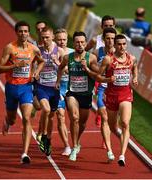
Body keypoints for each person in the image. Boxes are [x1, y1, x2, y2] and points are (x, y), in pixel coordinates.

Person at [0, 21, 44, 164]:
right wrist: (15, 65)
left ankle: (24, 153)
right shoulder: (10, 48)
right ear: (16, 32)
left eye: (25, 31)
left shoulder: (34, 49)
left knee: (27, 118)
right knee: (12, 119)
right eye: (20, 31)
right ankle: (7, 120)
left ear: (29, 33)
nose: (23, 34)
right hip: (11, 88)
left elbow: (41, 61)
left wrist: (36, 71)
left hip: (26, 88)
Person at [95, 34, 138, 166]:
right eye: (119, 44)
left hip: (125, 95)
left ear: (126, 45)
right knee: (113, 126)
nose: (122, 46)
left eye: (124, 44)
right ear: (115, 45)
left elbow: (135, 67)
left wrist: (135, 77)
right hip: (111, 96)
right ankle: (118, 139)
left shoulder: (132, 58)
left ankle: (122, 155)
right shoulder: (108, 60)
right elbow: (98, 76)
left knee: (125, 123)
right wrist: (108, 80)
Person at [56, 31, 99, 161]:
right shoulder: (67, 58)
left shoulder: (91, 58)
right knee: (74, 118)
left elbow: (96, 75)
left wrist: (87, 69)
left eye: (82, 42)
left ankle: (78, 140)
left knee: (82, 123)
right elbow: (60, 68)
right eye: (77, 42)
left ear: (85, 44)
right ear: (73, 43)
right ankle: (74, 147)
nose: (80, 45)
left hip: (86, 94)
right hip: (72, 93)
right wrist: (58, 81)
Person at [36, 26, 64, 156]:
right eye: (43, 38)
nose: (45, 40)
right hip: (42, 86)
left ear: (53, 37)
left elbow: (67, 70)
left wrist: (57, 62)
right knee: (45, 110)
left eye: (47, 37)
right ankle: (43, 134)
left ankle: (47, 138)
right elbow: (32, 65)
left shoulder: (60, 51)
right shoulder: (38, 51)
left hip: (54, 88)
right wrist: (34, 73)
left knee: (51, 117)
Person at [85, 15, 116, 128]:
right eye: (106, 26)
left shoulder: (118, 42)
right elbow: (85, 52)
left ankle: (104, 117)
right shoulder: (95, 40)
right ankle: (101, 115)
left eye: (111, 25)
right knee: (102, 103)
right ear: (102, 26)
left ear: (114, 26)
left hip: (113, 79)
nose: (108, 27)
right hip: (98, 76)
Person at [93, 27, 117, 161]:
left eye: (113, 38)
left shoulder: (120, 53)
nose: (110, 41)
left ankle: (108, 137)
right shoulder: (97, 52)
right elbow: (94, 69)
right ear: (103, 39)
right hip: (102, 88)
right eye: (108, 38)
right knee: (105, 117)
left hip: (117, 91)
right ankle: (109, 150)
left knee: (114, 123)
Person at [54, 28, 74, 156]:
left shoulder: (73, 53)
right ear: (55, 40)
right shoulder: (52, 53)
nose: (62, 42)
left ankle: (75, 143)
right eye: (59, 39)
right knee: (60, 116)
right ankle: (67, 146)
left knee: (74, 117)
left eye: (64, 39)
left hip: (72, 87)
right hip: (58, 87)